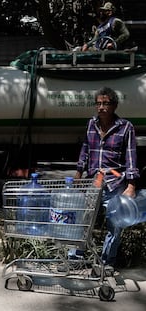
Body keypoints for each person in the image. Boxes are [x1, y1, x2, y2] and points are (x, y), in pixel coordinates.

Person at [74, 86, 139, 270]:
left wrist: (131, 185)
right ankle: (76, 258)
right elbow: (85, 150)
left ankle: (106, 262)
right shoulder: (91, 124)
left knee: (115, 225)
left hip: (115, 183)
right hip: (94, 181)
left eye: (106, 103)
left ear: (114, 105)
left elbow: (131, 157)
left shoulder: (126, 127)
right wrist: (78, 173)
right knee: (84, 220)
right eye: (98, 103)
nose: (101, 107)